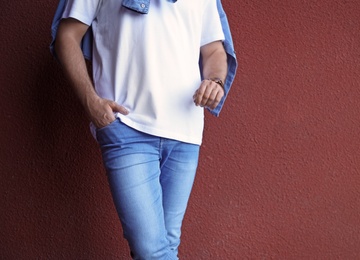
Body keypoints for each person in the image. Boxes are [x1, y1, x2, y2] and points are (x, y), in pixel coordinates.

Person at [51, 0, 237, 259]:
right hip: (126, 129)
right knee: (152, 251)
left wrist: (215, 81)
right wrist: (91, 102)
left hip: (185, 132)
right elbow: (67, 36)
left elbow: (214, 50)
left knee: (167, 244)